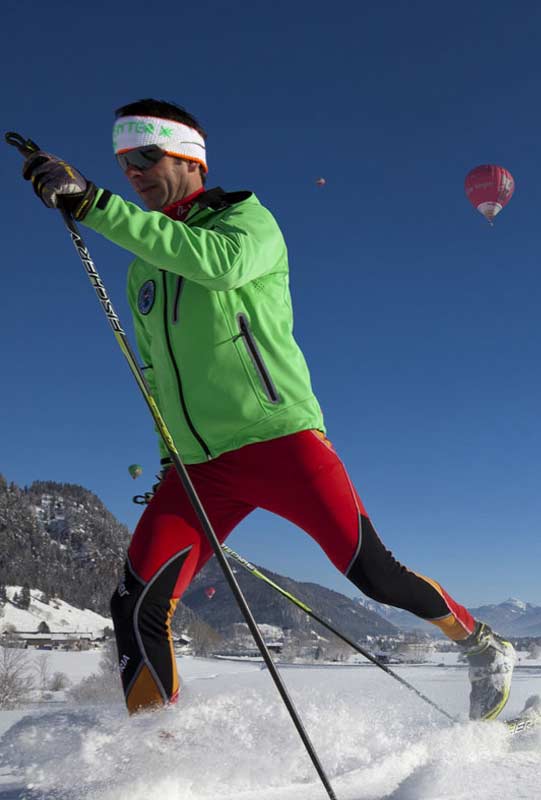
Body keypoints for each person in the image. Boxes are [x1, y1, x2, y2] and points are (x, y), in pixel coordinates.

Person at [18, 98, 514, 720]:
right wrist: (170, 455)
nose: (135, 172)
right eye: (124, 163)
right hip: (199, 467)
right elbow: (154, 374)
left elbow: (216, 266)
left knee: (374, 574)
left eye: (147, 155)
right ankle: (154, 762)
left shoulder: (246, 223)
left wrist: (93, 203)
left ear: (190, 157)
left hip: (281, 442)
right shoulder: (145, 263)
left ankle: (479, 642)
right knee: (137, 604)